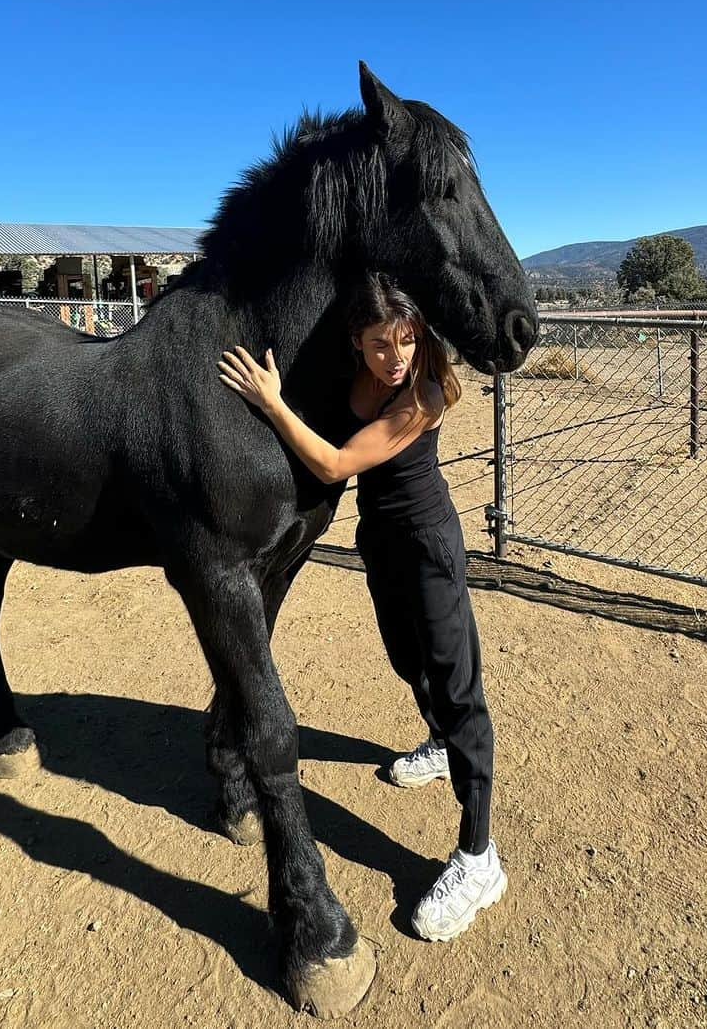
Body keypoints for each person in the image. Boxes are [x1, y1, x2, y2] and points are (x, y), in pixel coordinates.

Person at [217, 272, 506, 942]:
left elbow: (334, 463)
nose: (397, 355)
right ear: (358, 342)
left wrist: (271, 402)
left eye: (407, 339)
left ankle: (479, 856)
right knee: (409, 660)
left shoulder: (424, 394)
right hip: (378, 539)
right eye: (381, 343)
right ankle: (438, 744)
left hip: (428, 544)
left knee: (460, 688)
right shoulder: (355, 381)